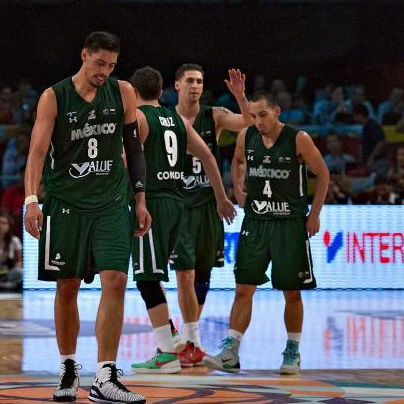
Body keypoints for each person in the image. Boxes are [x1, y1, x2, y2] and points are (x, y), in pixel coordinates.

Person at [24, 31, 149, 404]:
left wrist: (140, 199)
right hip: (66, 204)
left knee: (115, 279)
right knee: (68, 286)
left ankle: (106, 376)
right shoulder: (54, 97)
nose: (104, 72)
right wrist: (32, 200)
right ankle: (67, 366)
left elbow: (134, 148)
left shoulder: (123, 92)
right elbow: (36, 152)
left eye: (111, 65)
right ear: (83, 55)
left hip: (112, 202)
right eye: (99, 64)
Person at [204, 90, 329, 375]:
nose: (258, 121)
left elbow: (323, 173)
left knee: (291, 293)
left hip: (289, 225)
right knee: (243, 289)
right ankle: (231, 351)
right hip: (256, 223)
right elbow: (236, 161)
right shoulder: (246, 136)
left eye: (263, 115)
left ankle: (293, 352)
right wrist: (237, 188)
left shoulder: (298, 139)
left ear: (277, 112)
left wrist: (315, 214)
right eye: (254, 116)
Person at [127, 66, 236, 374]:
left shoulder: (139, 119)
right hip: (179, 205)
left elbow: (128, 162)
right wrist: (221, 197)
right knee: (157, 274)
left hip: (153, 203)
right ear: (162, 92)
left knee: (147, 278)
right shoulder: (177, 120)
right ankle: (174, 337)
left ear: (134, 94)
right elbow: (209, 157)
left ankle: (166, 353)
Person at [171, 65, 251, 367]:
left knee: (202, 273)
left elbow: (246, 120)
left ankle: (190, 339)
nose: (195, 86)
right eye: (190, 81)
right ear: (177, 85)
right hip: (179, 204)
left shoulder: (214, 115)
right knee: (184, 272)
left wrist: (240, 97)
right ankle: (193, 339)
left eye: (200, 81)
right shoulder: (167, 118)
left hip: (207, 205)